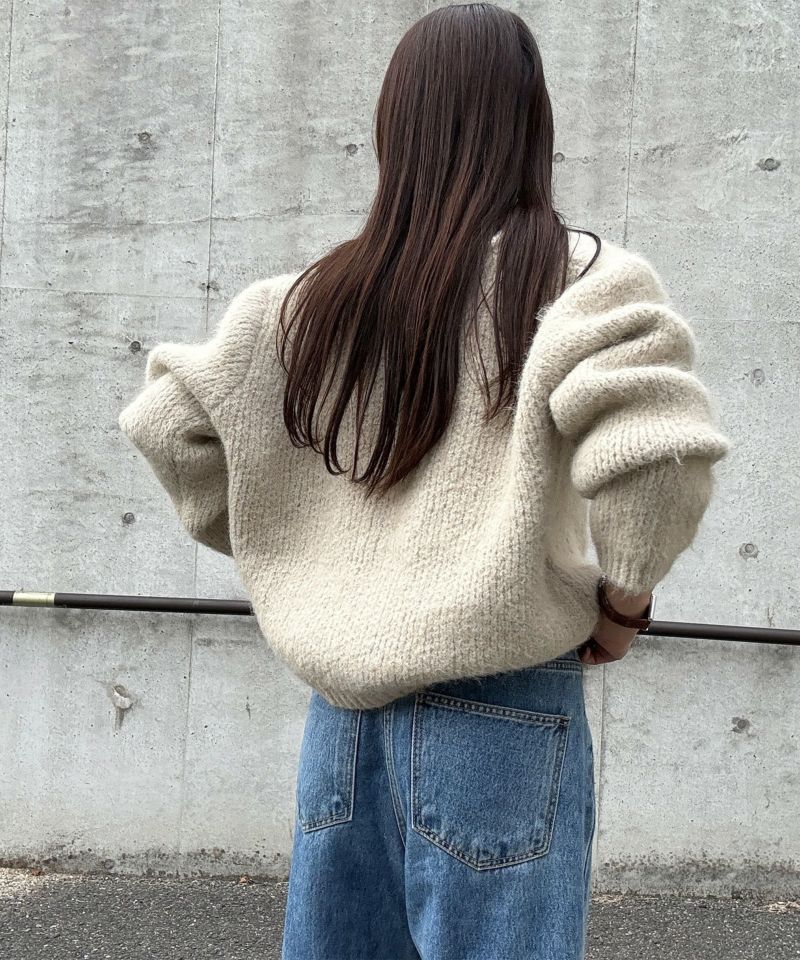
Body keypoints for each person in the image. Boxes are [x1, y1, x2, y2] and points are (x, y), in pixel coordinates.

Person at [117, 4, 731, 958]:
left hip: (342, 730)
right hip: (505, 718)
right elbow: (658, 464)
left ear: (391, 127)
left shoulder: (309, 302)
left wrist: (293, 546)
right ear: (531, 123)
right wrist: (623, 605)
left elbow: (168, 425)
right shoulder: (577, 280)